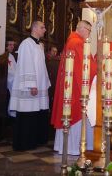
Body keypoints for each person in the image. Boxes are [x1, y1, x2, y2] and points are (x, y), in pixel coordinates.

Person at [51, 20, 97, 155]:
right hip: (76, 88)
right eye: (89, 31)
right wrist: (100, 68)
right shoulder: (77, 43)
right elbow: (87, 67)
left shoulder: (71, 41)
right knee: (76, 113)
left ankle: (64, 146)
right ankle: (73, 148)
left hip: (70, 86)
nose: (89, 35)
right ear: (82, 28)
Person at [9, 21, 51, 151]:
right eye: (42, 27)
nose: (44, 30)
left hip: (39, 85)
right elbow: (27, 64)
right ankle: (24, 143)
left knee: (36, 113)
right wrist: (32, 85)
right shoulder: (26, 44)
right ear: (34, 29)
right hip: (30, 87)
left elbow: (41, 66)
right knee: (28, 113)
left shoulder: (39, 45)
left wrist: (45, 82)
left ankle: (35, 140)